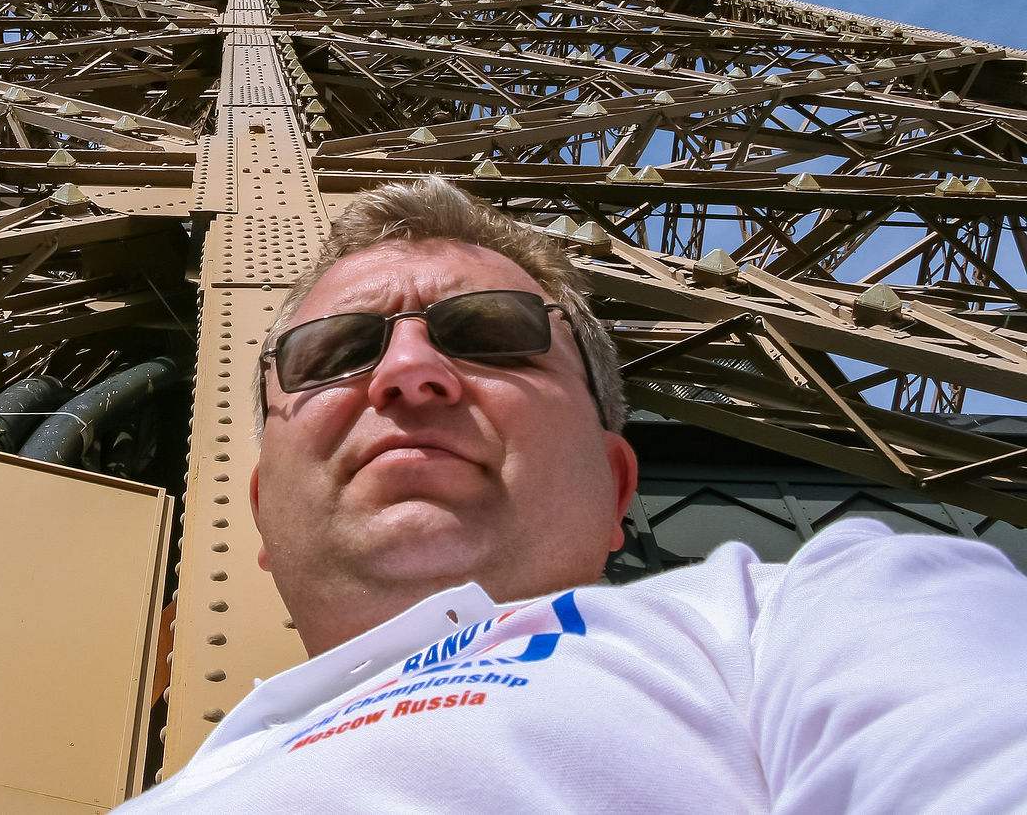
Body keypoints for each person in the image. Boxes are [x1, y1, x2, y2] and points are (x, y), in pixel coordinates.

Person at [115, 176, 1027, 813]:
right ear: (262, 512)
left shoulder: (800, 615)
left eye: (490, 333)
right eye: (333, 353)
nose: (407, 372)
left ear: (617, 482)